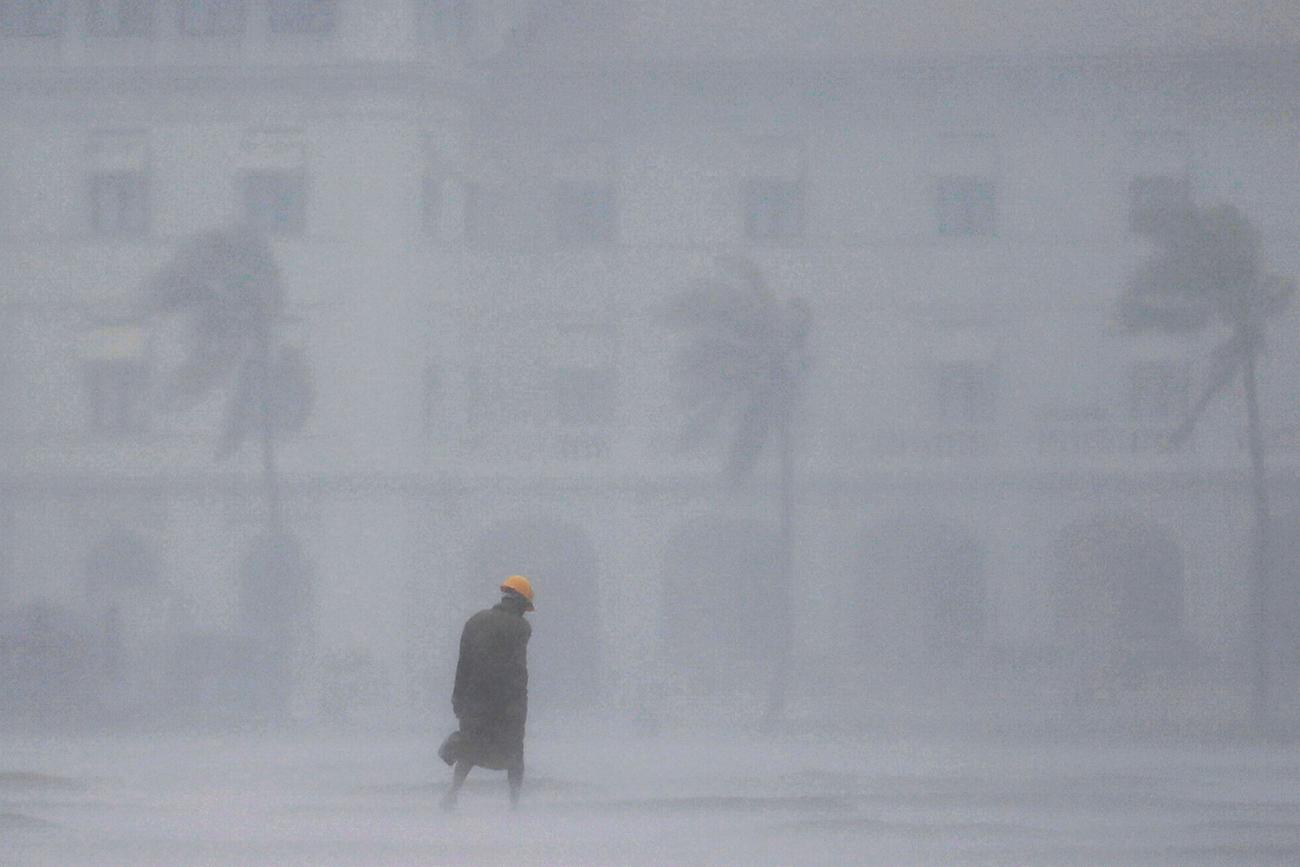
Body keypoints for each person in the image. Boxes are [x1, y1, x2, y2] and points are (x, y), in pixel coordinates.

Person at [439, 575, 534, 810]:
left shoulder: (475, 621)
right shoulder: (521, 628)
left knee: (471, 749)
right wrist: (520, 707)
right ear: (521, 603)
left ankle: (452, 794)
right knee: (514, 754)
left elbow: (463, 663)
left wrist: (457, 697)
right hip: (506, 704)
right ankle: (515, 804)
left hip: (474, 701)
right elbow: (517, 672)